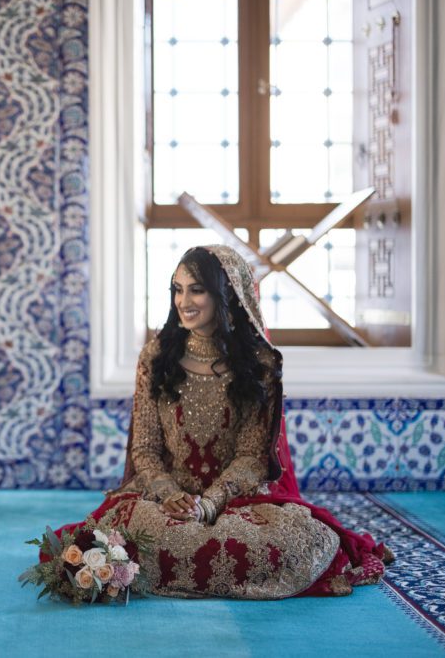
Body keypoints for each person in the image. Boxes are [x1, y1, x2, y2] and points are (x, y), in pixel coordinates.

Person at [47, 245, 392, 598]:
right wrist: (169, 494)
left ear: (226, 294)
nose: (184, 301)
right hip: (166, 502)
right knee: (138, 537)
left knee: (297, 541)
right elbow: (145, 448)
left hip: (237, 502)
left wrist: (209, 504)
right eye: (177, 289)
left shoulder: (260, 364)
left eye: (196, 289)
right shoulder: (155, 357)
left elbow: (252, 456)